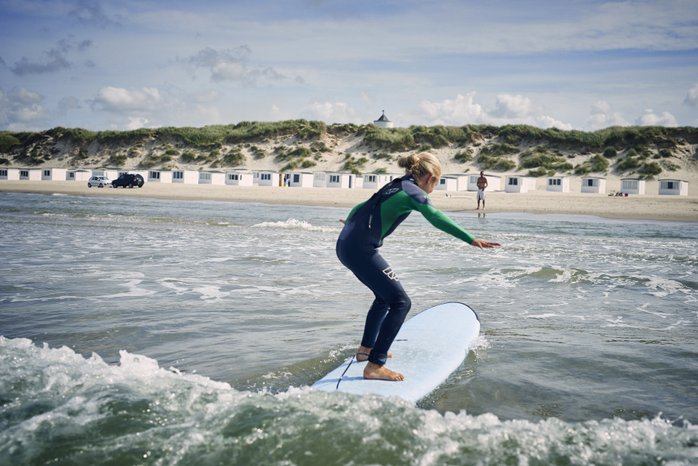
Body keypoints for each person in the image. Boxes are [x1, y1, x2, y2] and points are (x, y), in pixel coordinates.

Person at [336, 153, 500, 381]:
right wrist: (470, 238)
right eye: (438, 181)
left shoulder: (396, 185)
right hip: (361, 250)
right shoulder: (414, 192)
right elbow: (435, 216)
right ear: (431, 177)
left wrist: (351, 224)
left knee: (384, 298)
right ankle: (375, 366)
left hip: (346, 245)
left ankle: (366, 351)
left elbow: (362, 206)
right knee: (401, 302)